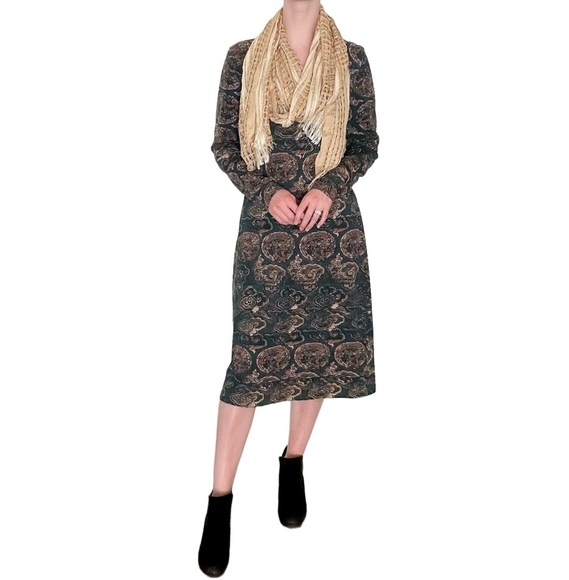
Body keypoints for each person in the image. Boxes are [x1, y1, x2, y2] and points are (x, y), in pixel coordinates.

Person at [198, 1, 379, 576]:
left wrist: (330, 187)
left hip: (331, 233)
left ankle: (293, 459)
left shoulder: (351, 59)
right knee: (249, 365)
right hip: (266, 232)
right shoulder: (243, 58)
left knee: (318, 354)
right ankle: (220, 501)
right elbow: (225, 144)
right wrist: (265, 190)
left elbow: (365, 142)